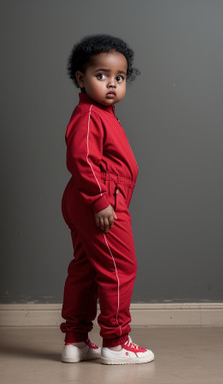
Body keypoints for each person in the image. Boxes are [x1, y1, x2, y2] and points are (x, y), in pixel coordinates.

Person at [60, 34, 154, 365]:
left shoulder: (101, 114)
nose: (111, 84)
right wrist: (100, 201)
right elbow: (82, 160)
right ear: (80, 79)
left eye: (120, 77)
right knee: (120, 268)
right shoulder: (89, 116)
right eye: (101, 76)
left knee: (86, 267)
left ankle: (76, 340)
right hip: (100, 199)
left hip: (91, 197)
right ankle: (115, 341)